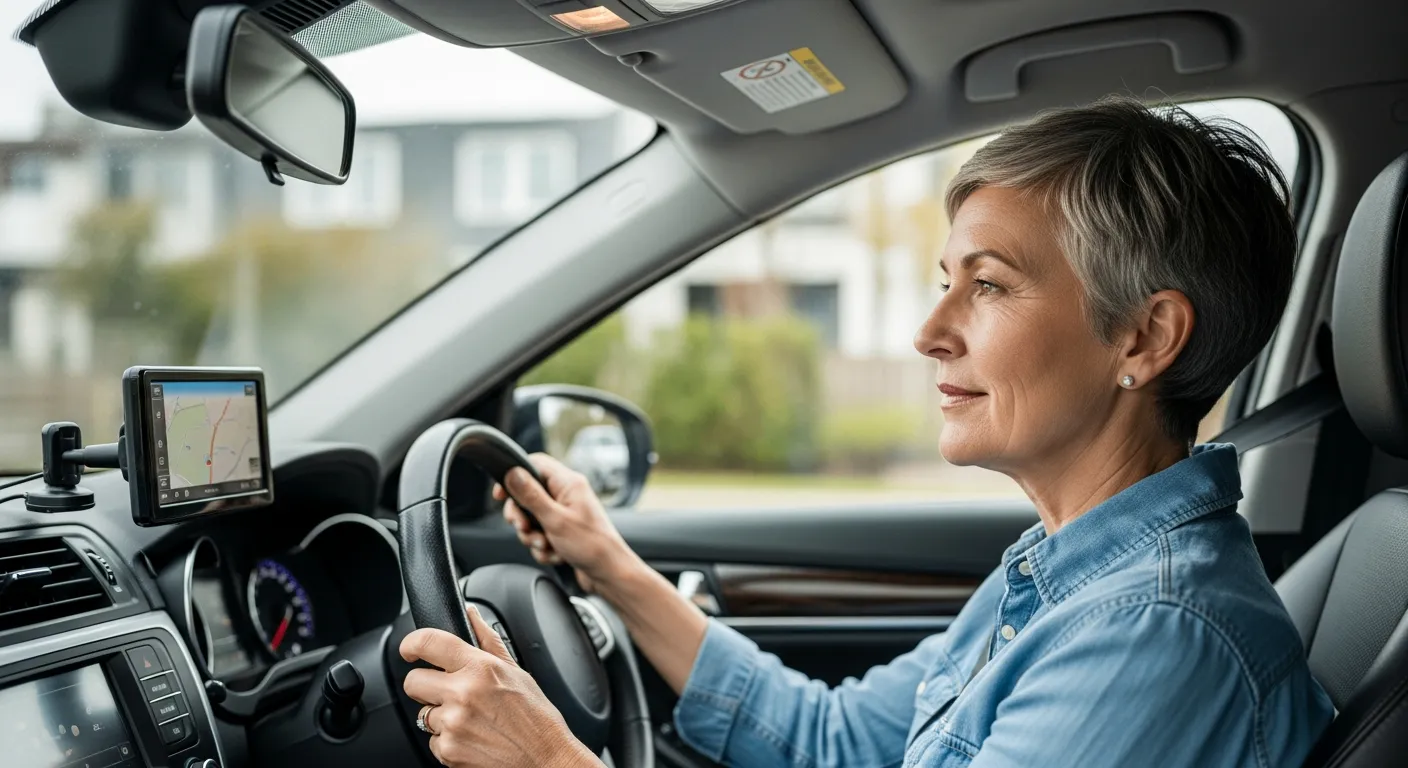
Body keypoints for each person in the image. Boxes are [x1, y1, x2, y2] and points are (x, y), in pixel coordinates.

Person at [398, 96, 1336, 768]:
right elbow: (830, 741)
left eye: (991, 284)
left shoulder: (1154, 637)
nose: (930, 334)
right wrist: (610, 566)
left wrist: (544, 758)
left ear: (1144, 336)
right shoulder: (1068, 571)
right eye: (945, 281)